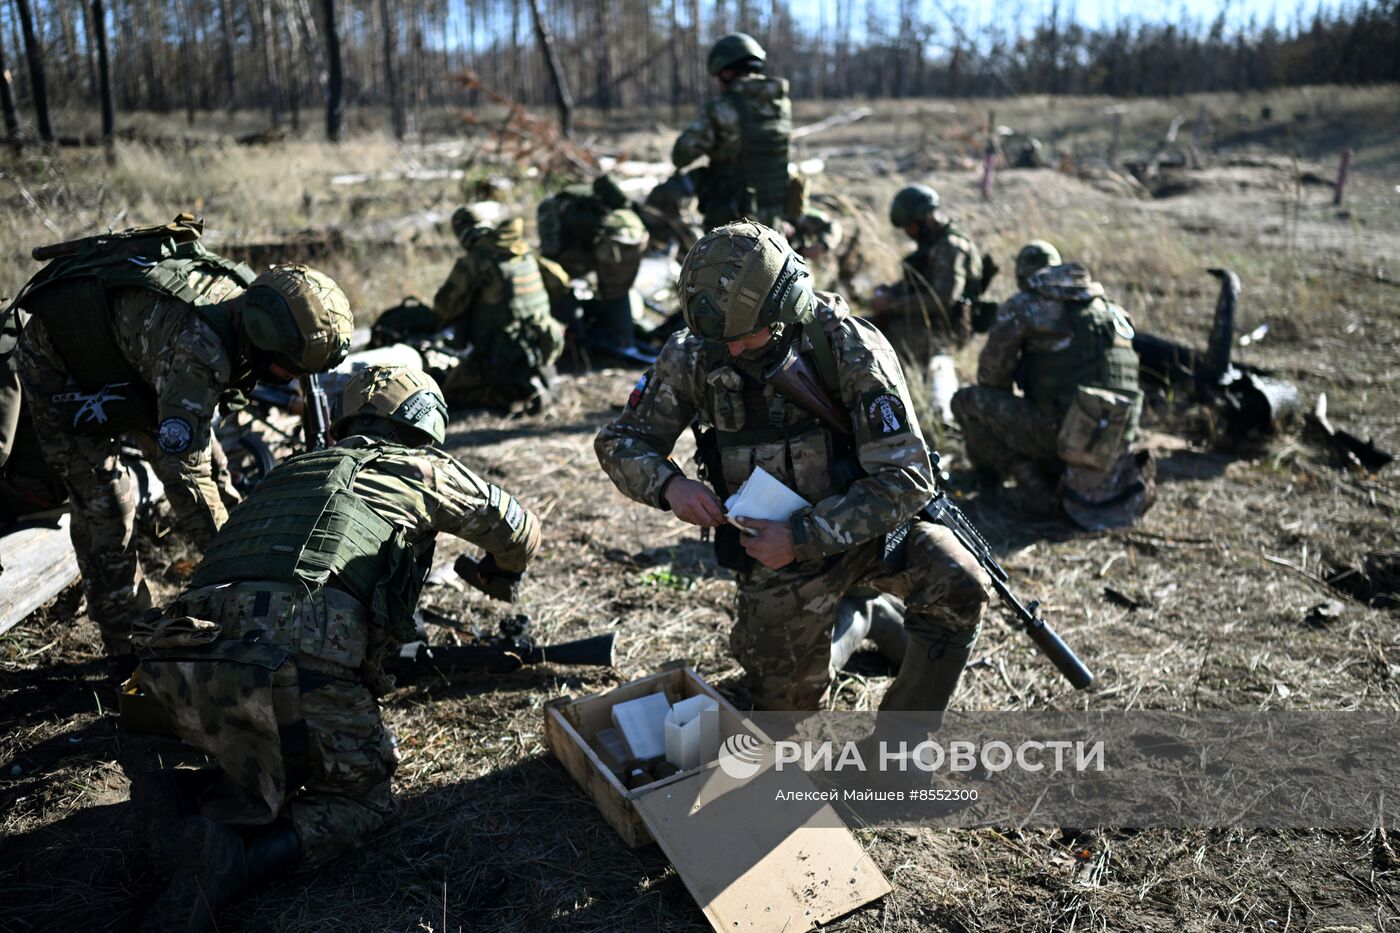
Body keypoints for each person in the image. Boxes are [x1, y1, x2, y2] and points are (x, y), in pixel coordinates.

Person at [132, 364, 542, 931]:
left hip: (183, 663)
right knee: (364, 799)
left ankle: (188, 796)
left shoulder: (293, 469)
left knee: (285, 740)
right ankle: (234, 862)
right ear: (428, 421)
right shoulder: (421, 467)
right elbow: (518, 529)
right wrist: (498, 572)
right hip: (288, 664)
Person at [595, 220, 988, 711]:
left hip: (870, 533)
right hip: (773, 554)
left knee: (960, 582)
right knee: (784, 710)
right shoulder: (699, 350)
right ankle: (860, 618)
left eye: (745, 336)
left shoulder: (849, 346)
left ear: (785, 309)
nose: (732, 349)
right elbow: (621, 442)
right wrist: (670, 486)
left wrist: (804, 536)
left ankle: (900, 746)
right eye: (723, 339)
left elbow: (907, 480)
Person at [10, 213, 354, 662]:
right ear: (270, 348)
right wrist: (239, 572)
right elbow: (184, 477)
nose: (293, 381)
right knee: (108, 502)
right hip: (60, 365)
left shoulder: (245, 305)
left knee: (215, 463)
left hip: (132, 366)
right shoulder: (201, 350)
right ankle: (127, 643)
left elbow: (196, 457)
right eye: (293, 370)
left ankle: (244, 566)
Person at [950, 241, 1154, 527]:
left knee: (966, 400)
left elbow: (990, 378)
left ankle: (1030, 485)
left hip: (1062, 434)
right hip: (1115, 440)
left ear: (1022, 278)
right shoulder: (1111, 310)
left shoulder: (1026, 306)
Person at [872, 184, 991, 423]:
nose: (909, 233)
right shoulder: (934, 244)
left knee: (884, 340)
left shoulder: (950, 247)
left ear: (924, 218)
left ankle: (926, 410)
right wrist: (890, 292)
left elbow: (942, 300)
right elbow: (920, 285)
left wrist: (893, 304)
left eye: (910, 227)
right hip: (928, 318)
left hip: (946, 328)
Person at [432, 206, 565, 411]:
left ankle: (511, 395)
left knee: (449, 391)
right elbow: (561, 283)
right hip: (540, 346)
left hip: (500, 355)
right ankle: (537, 385)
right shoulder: (522, 250)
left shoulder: (478, 260)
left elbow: (444, 307)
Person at [672, 33, 791, 232]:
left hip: (732, 226)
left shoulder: (722, 109)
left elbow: (681, 154)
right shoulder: (781, 105)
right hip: (774, 222)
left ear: (726, 72)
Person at [537, 174, 650, 351]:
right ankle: (618, 341)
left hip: (603, 243)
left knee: (560, 284)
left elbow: (551, 251)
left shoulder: (557, 208)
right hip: (626, 240)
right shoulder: (604, 210)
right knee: (615, 292)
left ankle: (579, 339)